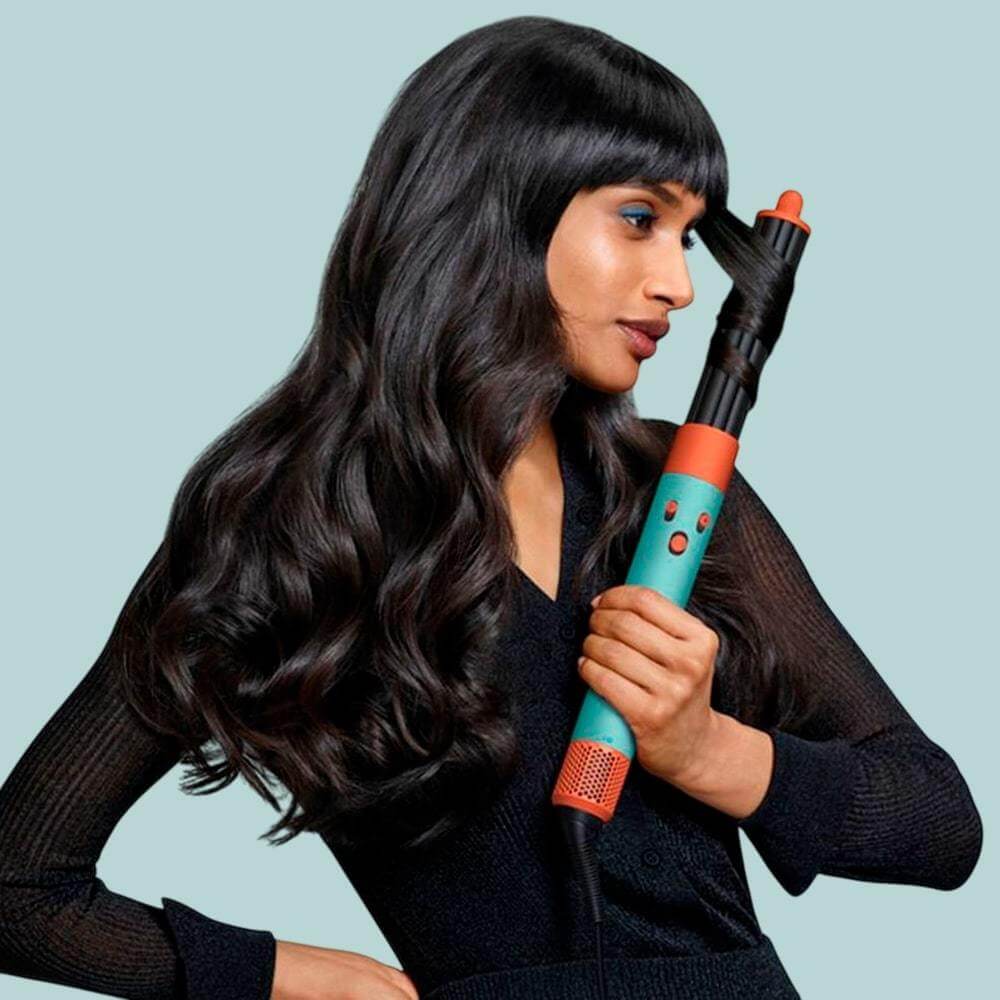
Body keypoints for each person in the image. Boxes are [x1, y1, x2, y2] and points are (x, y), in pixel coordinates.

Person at [0, 14, 983, 1000]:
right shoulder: (284, 534)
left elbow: (940, 823)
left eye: (687, 236)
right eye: (638, 218)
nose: (679, 284)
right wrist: (277, 974)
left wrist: (705, 748)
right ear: (497, 206)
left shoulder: (669, 495)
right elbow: (17, 889)